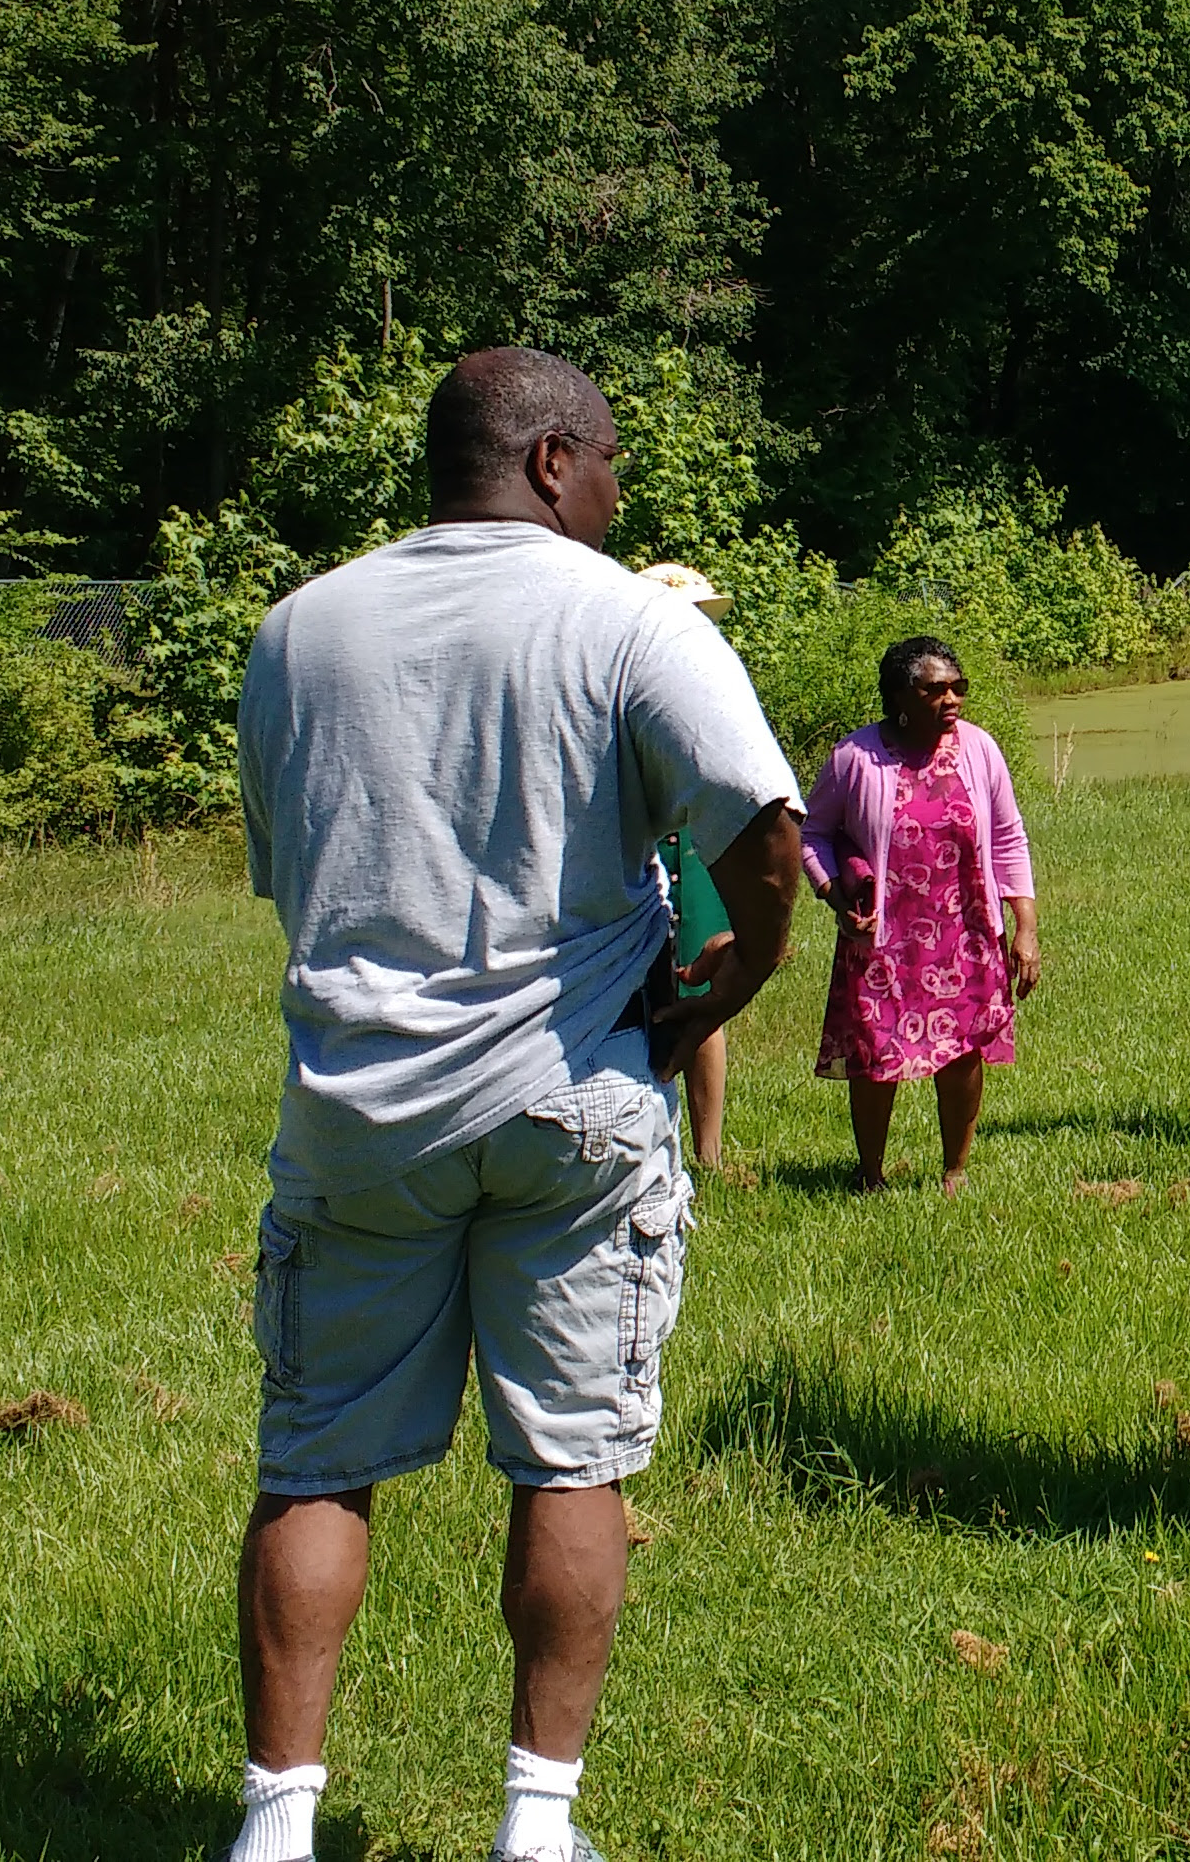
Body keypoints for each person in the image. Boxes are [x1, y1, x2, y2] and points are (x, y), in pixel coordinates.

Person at [229, 347, 804, 1862]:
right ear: (552, 462)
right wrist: (731, 986)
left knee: (315, 1458)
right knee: (571, 1456)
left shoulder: (296, 632)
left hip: (358, 1109)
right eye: (610, 463)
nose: (618, 495)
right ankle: (537, 1828)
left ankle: (276, 1824)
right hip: (570, 1102)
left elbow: (289, 878)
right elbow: (765, 833)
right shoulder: (625, 619)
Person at [804, 636, 1042, 1194]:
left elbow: (1009, 838)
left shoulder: (980, 750)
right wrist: (834, 895)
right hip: (881, 938)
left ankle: (954, 1172)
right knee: (875, 1056)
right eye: (935, 689)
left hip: (967, 932)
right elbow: (812, 833)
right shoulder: (854, 759)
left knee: (962, 1055)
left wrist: (1025, 928)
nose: (952, 699)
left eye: (958, 687)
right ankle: (870, 1175)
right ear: (899, 698)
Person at [636, 563, 744, 1175]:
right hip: (643, 845)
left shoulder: (719, 678)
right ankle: (651, 1142)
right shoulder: (617, 673)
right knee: (638, 990)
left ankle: (708, 1155)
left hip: (700, 850)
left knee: (702, 990)